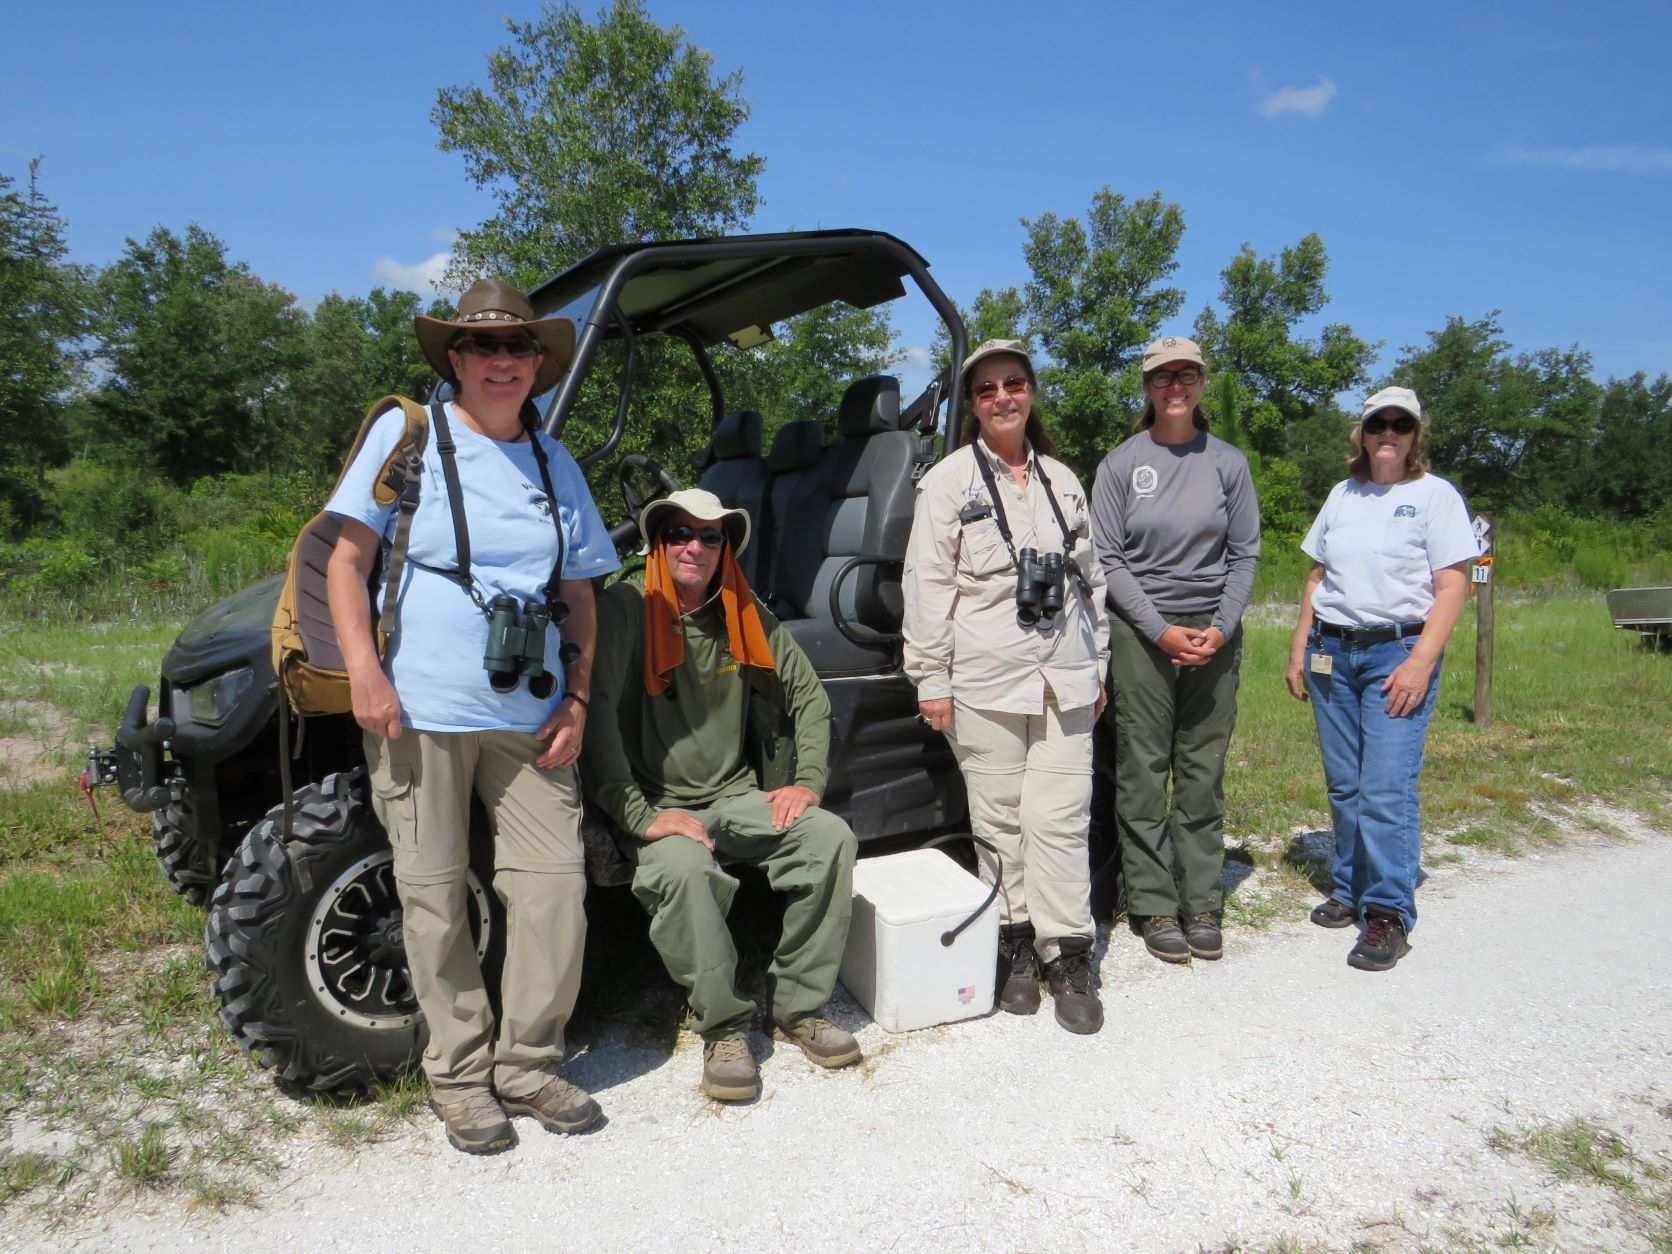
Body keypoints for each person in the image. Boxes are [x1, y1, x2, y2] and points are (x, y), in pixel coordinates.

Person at [326, 279, 619, 1154]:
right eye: (483, 347)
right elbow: (348, 562)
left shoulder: (553, 461)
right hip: (418, 710)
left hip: (530, 716)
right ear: (454, 358)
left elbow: (578, 593)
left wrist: (577, 695)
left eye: (519, 349)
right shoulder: (409, 434)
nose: (503, 362)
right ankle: (458, 1078)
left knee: (552, 890)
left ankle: (527, 1063)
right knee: (433, 896)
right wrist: (366, 676)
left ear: (538, 363)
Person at [582, 488, 861, 1102]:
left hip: (737, 796)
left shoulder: (744, 613)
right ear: (659, 542)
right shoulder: (628, 608)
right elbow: (595, 715)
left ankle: (799, 1008)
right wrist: (639, 816)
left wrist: (807, 783)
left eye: (712, 537)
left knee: (829, 839)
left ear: (724, 549)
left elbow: (810, 698)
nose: (695, 546)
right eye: (680, 532)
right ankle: (725, 1029)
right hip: (659, 805)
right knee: (684, 871)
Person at [902, 339, 1109, 1034]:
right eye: (986, 389)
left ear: (1032, 391)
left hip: (1066, 679)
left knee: (1060, 819)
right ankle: (1016, 946)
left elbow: (1092, 583)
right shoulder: (948, 482)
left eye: (1013, 383)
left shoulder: (1063, 479)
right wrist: (930, 676)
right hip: (985, 680)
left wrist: (1098, 664)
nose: (1001, 398)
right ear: (972, 403)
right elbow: (926, 585)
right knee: (998, 821)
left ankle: (1068, 953)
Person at [1285, 386, 1477, 971]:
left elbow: (1453, 586)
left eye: (1400, 424)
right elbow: (1319, 575)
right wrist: (1300, 643)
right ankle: (1351, 886)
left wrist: (1420, 662)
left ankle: (1389, 912)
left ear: (1416, 435)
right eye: (1377, 424)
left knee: (1386, 787)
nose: (1387, 434)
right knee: (1345, 784)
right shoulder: (1343, 495)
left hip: (1398, 652)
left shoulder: (1435, 496)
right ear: (1362, 434)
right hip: (1333, 653)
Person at [1091, 336, 1260, 965]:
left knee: (1201, 769)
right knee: (1141, 768)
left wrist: (1221, 626)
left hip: (1214, 631)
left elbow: (1245, 553)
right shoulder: (1119, 465)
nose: (1175, 386)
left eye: (1187, 374)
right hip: (1143, 632)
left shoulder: (1228, 463)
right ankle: (1154, 901)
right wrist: (1159, 629)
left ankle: (1202, 900)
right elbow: (1107, 557)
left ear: (1201, 382)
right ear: (1147, 388)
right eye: (1163, 377)